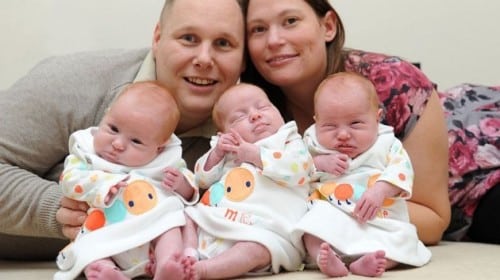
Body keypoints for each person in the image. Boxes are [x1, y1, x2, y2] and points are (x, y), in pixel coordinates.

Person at [0, 0, 245, 260]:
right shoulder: (74, 84)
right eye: (188, 38)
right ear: (158, 37)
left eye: (223, 44)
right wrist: (61, 208)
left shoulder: (248, 134)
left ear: (243, 60)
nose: (204, 59)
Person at [241, 0, 451, 245]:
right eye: (258, 29)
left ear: (328, 26)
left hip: (478, 157)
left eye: (290, 21)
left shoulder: (397, 85)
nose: (274, 40)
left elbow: (433, 220)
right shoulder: (253, 110)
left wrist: (333, 206)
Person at [54, 81, 199, 280]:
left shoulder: (164, 161)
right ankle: (106, 271)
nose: (118, 144)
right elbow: (69, 180)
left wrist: (182, 185)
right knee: (88, 248)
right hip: (107, 227)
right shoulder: (87, 154)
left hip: (153, 225)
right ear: (106, 115)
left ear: (159, 147)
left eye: (136, 141)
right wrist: (101, 186)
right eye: (113, 128)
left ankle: (167, 263)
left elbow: (191, 186)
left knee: (171, 222)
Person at [292, 72, 431, 278]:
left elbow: (401, 170)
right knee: (309, 228)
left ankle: (366, 263)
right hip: (332, 213)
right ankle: (328, 260)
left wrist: (381, 189)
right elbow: (294, 170)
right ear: (316, 121)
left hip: (378, 218)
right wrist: (317, 163)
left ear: (377, 118)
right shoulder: (311, 144)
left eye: (355, 124)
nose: (343, 134)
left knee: (404, 241)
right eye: (330, 126)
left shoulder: (387, 144)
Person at [181, 83, 314, 279]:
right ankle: (188, 255)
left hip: (265, 229)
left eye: (263, 107)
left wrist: (256, 155)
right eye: (239, 117)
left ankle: (205, 270)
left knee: (255, 249)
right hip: (216, 219)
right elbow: (201, 179)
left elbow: (301, 169)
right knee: (186, 217)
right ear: (224, 133)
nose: (255, 115)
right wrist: (217, 154)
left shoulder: (288, 140)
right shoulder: (226, 149)